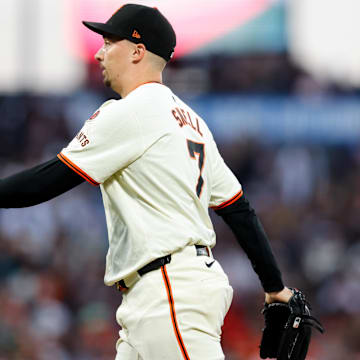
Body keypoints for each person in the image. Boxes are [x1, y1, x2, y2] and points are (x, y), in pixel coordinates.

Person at [0, 4, 293, 359]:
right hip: (160, 295)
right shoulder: (193, 122)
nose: (98, 52)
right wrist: (275, 287)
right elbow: (238, 209)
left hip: (169, 294)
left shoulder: (131, 111)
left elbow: (47, 181)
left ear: (138, 51)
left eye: (109, 42)